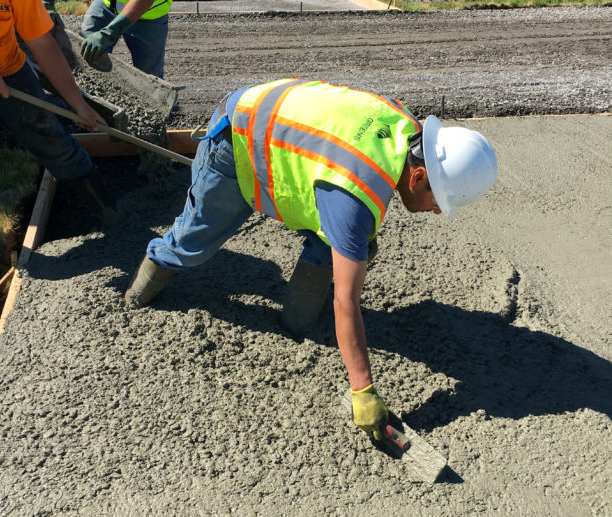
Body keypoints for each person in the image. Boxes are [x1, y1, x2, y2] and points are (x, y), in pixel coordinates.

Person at [124, 79, 498, 444]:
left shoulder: (404, 127)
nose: (436, 212)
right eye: (439, 203)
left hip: (297, 147)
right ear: (417, 176)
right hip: (240, 137)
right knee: (192, 245)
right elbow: (346, 302)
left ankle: (295, 321)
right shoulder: (354, 199)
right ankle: (138, 292)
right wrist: (363, 391)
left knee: (351, 244)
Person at [0, 0, 117, 251]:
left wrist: (77, 103)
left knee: (50, 137)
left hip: (7, 67)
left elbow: (42, 43)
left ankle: (105, 207)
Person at [80, 0, 172, 78]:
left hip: (149, 15)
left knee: (150, 77)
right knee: (87, 51)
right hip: (107, 4)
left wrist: (109, 33)